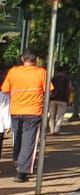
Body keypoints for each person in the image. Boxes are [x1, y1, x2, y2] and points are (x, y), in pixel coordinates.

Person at [2, 52, 49, 183]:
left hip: (16, 110)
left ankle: (18, 161)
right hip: (33, 111)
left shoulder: (13, 72)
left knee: (17, 137)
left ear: (23, 59)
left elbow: (5, 90)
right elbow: (49, 90)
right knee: (29, 141)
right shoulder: (41, 72)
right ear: (36, 60)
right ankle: (22, 171)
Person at [48, 69, 71, 134]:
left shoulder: (53, 79)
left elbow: (49, 88)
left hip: (53, 98)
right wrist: (69, 99)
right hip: (63, 99)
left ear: (57, 72)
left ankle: (51, 130)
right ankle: (56, 130)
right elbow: (70, 89)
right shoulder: (67, 79)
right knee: (60, 115)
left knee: (52, 115)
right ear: (64, 72)